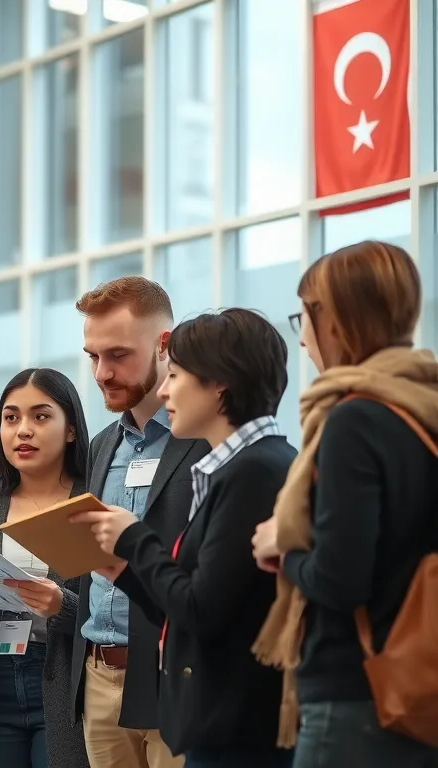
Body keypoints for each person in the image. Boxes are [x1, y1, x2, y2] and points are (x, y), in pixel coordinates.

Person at [75, 309, 296, 767]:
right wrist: (128, 571)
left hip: (237, 725)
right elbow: (189, 600)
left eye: (175, 374)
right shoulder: (239, 467)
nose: (163, 389)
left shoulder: (254, 470)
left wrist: (136, 540)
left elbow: (202, 610)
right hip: (219, 718)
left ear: (219, 384)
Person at [251, 241, 438, 767]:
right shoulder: (424, 406)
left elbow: (340, 578)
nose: (304, 335)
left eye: (305, 315)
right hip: (419, 677)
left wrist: (282, 550)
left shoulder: (354, 420)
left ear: (334, 321)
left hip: (359, 690)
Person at [68, 276, 209, 768]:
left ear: (164, 345)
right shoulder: (102, 445)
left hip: (176, 677)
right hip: (100, 678)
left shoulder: (207, 439)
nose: (102, 372)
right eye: (92, 356)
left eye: (118, 355)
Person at [0, 368, 90, 768]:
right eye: (11, 418)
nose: (22, 430)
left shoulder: (91, 505)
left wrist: (62, 605)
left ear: (70, 430)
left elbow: (114, 610)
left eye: (41, 416)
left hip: (64, 684)